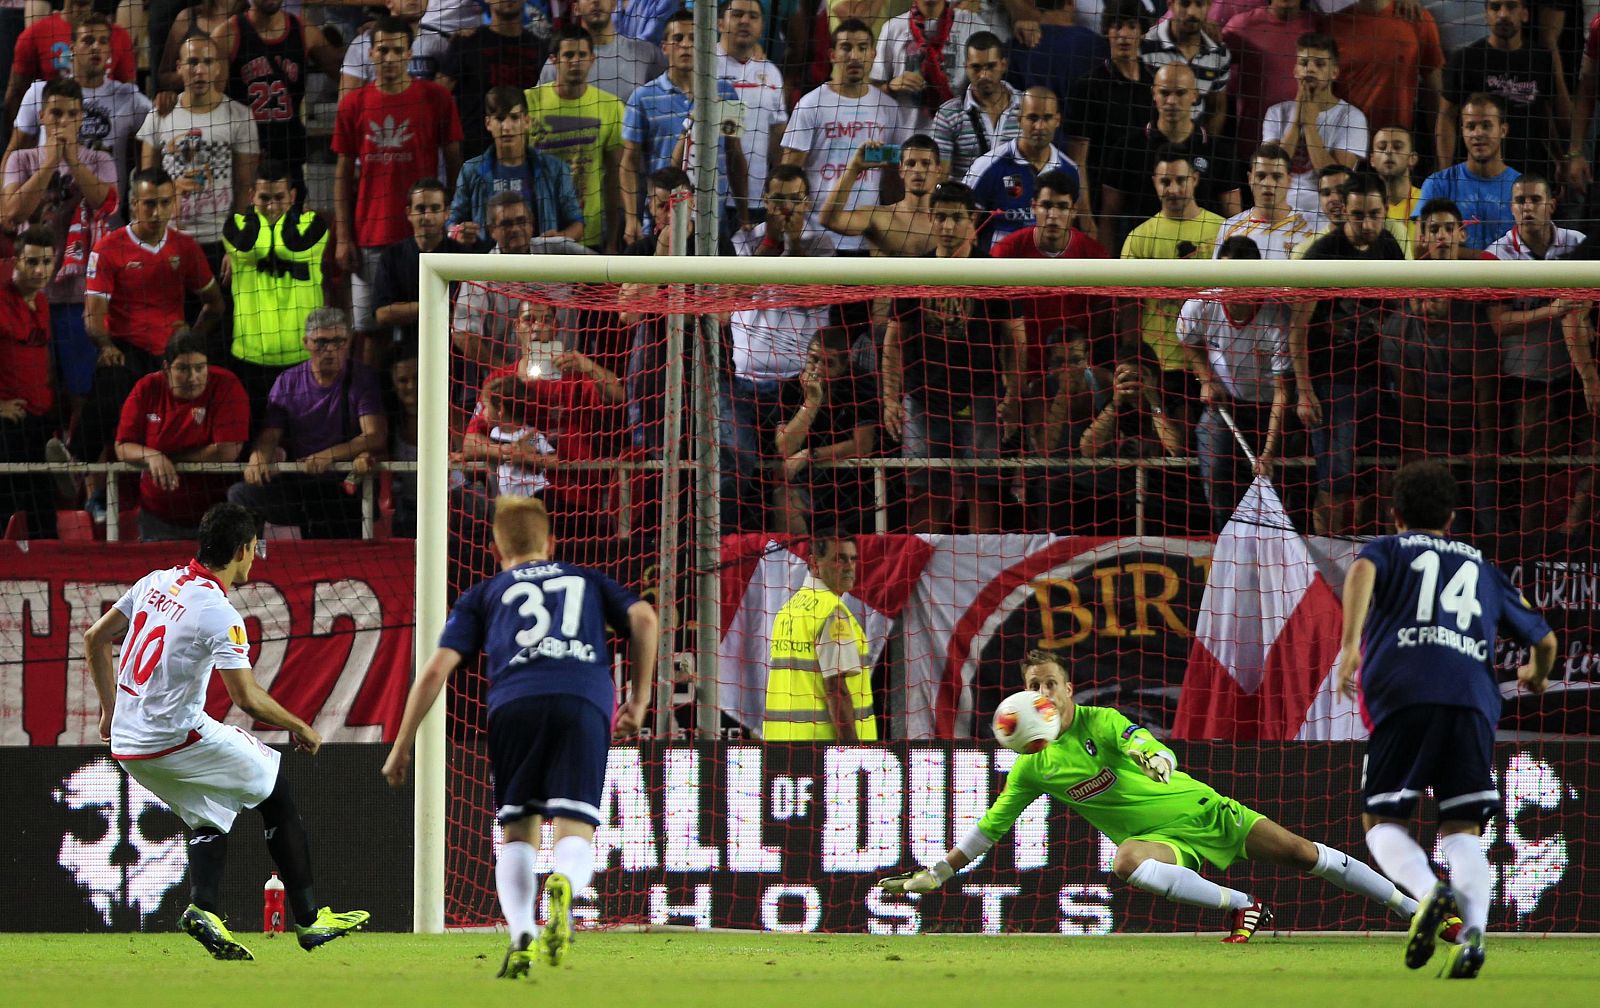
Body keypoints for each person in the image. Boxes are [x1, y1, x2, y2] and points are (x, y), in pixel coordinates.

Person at [883, 648, 1427, 943]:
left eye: (1050, 683)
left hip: (1203, 810)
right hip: (1160, 842)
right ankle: (1243, 906)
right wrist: (940, 871)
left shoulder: (1100, 720)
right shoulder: (1033, 768)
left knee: (1304, 855)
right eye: (1034, 687)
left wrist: (1154, 755)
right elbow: (991, 827)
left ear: (1068, 688)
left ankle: (1411, 907)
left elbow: (1138, 741)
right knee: (1125, 860)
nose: (1042, 694)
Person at [382, 495, 658, 976]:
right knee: (575, 828)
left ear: (495, 548)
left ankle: (521, 931)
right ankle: (565, 889)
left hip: (514, 703)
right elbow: (645, 618)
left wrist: (402, 745)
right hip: (583, 699)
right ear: (551, 542)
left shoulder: (485, 593)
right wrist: (638, 699)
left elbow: (435, 671)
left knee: (517, 832)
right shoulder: (586, 580)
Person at [84, 501, 371, 961]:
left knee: (206, 814)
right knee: (275, 792)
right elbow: (246, 697)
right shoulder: (218, 613)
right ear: (242, 549)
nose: (255, 557)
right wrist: (301, 725)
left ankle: (204, 909)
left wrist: (109, 711)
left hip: (128, 744)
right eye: (254, 548)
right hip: (171, 738)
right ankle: (312, 919)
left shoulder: (155, 580)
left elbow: (93, 639)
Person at [1336, 459, 1556, 978]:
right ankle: (1474, 937)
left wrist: (1350, 646)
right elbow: (1544, 640)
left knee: (1381, 821)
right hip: (1472, 700)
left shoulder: (1387, 549)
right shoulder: (1481, 565)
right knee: (1462, 832)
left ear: (1393, 515)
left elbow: (1363, 569)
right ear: (1452, 517)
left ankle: (1430, 890)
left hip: (1406, 693)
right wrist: (1538, 675)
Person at [882, 181, 1025, 533]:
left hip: (980, 395)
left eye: (956, 218)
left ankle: (982, 569)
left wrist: (1014, 396)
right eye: (941, 218)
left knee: (983, 488)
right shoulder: (914, 271)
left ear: (972, 219)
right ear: (931, 219)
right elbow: (893, 340)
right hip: (923, 396)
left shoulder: (993, 272)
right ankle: (922, 570)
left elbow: (1016, 339)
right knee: (925, 490)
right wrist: (889, 398)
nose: (947, 227)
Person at [333, 17, 463, 359]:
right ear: (372, 53)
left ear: (410, 53)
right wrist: (344, 237)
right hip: (371, 234)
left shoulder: (435, 98)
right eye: (383, 50)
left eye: (397, 50)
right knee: (371, 335)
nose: (389, 58)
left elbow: (454, 162)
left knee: (435, 329)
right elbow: (343, 174)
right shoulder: (353, 104)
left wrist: (454, 219)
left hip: (426, 235)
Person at [1292, 171, 1406, 536]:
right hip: (1332, 382)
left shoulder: (1389, 248)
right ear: (1343, 211)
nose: (1367, 223)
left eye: (1375, 214)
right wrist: (1305, 390)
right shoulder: (1323, 255)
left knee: (1386, 472)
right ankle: (1328, 557)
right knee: (1335, 477)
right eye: (1359, 216)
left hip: (1380, 378)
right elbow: (1296, 328)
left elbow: (1400, 313)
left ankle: (1384, 555)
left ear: (1385, 210)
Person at [228, 307, 388, 539]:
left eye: (339, 341)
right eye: (321, 342)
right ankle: (252, 561)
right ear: (306, 342)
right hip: (300, 485)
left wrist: (329, 455)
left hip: (344, 485)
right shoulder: (287, 381)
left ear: (349, 341)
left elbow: (375, 436)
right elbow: (270, 434)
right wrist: (259, 456)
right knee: (241, 494)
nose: (331, 350)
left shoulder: (362, 378)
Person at [1179, 235, 1291, 528]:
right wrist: (1205, 379)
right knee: (1214, 470)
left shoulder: (1275, 316)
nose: (1230, 285)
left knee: (1278, 483)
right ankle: (1223, 535)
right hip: (1225, 403)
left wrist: (1268, 453)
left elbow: (1282, 393)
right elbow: (1186, 340)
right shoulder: (1201, 304)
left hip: (1269, 410)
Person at [781, 18, 912, 255]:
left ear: (873, 54)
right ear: (832, 54)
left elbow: (895, 176)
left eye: (862, 48)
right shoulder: (810, 105)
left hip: (868, 238)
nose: (854, 56)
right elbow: (789, 173)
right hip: (817, 238)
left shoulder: (889, 108)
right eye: (846, 47)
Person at [5, 13, 150, 218]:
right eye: (88, 40)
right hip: (45, 218)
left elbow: (162, 126)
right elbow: (14, 148)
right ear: (72, 49)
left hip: (102, 222)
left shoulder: (130, 98)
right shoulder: (40, 92)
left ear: (110, 50)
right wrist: (3, 208)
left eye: (103, 41)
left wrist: (168, 99)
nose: (96, 47)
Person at [621, 10, 747, 243]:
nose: (686, 45)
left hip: (712, 222)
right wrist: (631, 218)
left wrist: (744, 212)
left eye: (694, 38)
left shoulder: (726, 94)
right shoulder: (642, 98)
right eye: (678, 39)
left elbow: (734, 155)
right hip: (662, 220)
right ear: (664, 47)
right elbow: (628, 163)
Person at [223, 161, 329, 424]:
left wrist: (281, 222)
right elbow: (249, 249)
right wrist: (262, 221)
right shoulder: (235, 225)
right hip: (250, 357)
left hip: (303, 357)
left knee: (301, 437)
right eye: (264, 198)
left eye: (280, 198)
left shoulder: (313, 223)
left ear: (292, 196)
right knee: (256, 436)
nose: (271, 206)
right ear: (251, 196)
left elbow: (294, 248)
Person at [213, 0, 343, 196]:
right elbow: (211, 102)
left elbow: (345, 74)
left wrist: (365, 42)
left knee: (291, 222)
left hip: (288, 151)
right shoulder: (228, 34)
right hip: (244, 154)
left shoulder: (303, 30)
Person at [1439, 0, 1569, 183]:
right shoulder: (1466, 59)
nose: (1503, 14)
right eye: (1495, 7)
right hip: (1478, 174)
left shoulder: (1541, 59)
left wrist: (1559, 160)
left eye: (1511, 6)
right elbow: (1446, 117)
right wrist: (1445, 173)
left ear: (1525, 14)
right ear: (1486, 15)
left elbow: (1543, 116)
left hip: (1528, 170)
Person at [764, 530, 876, 741]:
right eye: (839, 559)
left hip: (781, 741)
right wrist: (853, 752)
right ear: (814, 563)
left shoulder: (789, 609)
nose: (849, 567)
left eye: (853, 559)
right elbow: (837, 689)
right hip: (822, 747)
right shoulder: (832, 612)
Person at [526, 25, 627, 253]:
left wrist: (612, 236)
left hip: (589, 233)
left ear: (593, 59)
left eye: (582, 55)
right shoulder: (528, 102)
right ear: (554, 59)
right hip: (534, 229)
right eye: (568, 55)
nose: (575, 61)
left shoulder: (611, 107)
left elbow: (615, 178)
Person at [774, 326, 879, 536]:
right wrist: (812, 401)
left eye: (828, 363)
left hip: (853, 484)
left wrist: (809, 455)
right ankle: (797, 565)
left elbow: (862, 445)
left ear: (843, 366)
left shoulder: (861, 385)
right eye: (814, 359)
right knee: (782, 498)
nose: (818, 368)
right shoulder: (791, 387)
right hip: (808, 482)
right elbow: (785, 447)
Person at [450, 87, 585, 247]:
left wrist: (558, 239)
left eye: (514, 118)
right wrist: (457, 232)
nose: (507, 126)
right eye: (500, 118)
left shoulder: (555, 169)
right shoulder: (470, 170)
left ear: (527, 121)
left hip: (538, 263)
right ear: (488, 124)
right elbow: (452, 222)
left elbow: (577, 223)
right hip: (487, 265)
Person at [1262, 32, 1368, 222]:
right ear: (1295, 70)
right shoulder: (1276, 113)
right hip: (1279, 212)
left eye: (1319, 64)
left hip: (1326, 216)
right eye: (1304, 63)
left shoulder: (1352, 117)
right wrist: (1296, 122)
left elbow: (1337, 179)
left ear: (1334, 72)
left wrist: (1310, 126)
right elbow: (1271, 170)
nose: (1310, 69)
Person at [964, 86, 1081, 250]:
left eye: (1047, 118)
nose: (1039, 126)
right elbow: (964, 223)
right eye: (1032, 118)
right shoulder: (987, 166)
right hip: (997, 267)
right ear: (1019, 119)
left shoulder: (1070, 171)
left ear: (1057, 120)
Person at [0, 226, 58, 539]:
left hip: (38, 423)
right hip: (8, 428)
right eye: (32, 262)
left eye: (47, 262)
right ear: (17, 261)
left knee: (42, 515)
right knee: (7, 508)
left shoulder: (42, 302)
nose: (40, 270)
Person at [438, 0, 548, 160]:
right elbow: (438, 97)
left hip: (526, 157)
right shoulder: (466, 43)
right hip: (476, 157)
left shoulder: (540, 48)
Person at [716, 0, 790, 229]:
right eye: (737, 14)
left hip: (758, 198)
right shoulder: (705, 66)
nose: (745, 21)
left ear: (762, 25)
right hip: (713, 198)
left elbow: (777, 137)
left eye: (753, 16)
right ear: (720, 23)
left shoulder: (771, 73)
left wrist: (777, 191)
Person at [818, 134, 942, 257]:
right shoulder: (879, 217)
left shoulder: (948, 220)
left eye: (925, 163)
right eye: (911, 163)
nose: (918, 170)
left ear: (938, 170)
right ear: (901, 170)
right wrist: (854, 167)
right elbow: (830, 220)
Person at [535, 0, 667, 106]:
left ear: (614, 3)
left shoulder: (645, 53)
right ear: (576, 8)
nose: (596, 1)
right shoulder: (559, 61)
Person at [930, 31, 1020, 183]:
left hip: (1015, 202)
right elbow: (939, 177)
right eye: (976, 68)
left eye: (991, 67)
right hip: (966, 203)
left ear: (1003, 65)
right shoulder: (948, 114)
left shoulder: (1028, 108)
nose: (984, 75)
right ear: (966, 67)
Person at [1140, 0, 1232, 135]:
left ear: (1209, 6)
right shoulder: (1145, 46)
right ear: (1170, 4)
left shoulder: (1219, 54)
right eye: (1184, 4)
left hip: (1193, 145)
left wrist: (1206, 148)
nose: (1192, 12)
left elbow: (1216, 108)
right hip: (1148, 141)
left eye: (1199, 4)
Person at [1370, 126, 1422, 256]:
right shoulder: (1364, 206)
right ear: (1372, 160)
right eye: (1382, 147)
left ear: (1412, 158)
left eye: (1397, 147)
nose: (1388, 151)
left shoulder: (1427, 202)